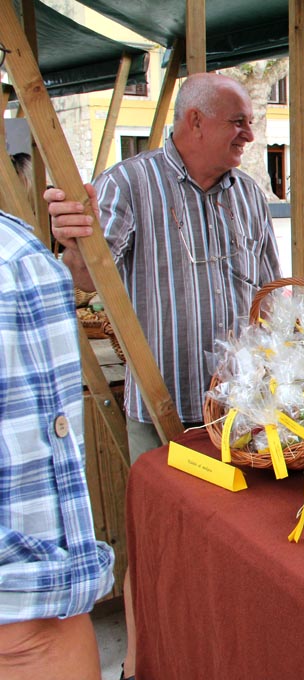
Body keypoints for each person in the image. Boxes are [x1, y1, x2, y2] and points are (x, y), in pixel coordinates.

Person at [45, 71, 282, 680]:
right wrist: (74, 243)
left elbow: (273, 298)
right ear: (195, 121)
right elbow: (87, 277)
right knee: (158, 550)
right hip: (162, 412)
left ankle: (215, 657)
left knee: (233, 553)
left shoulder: (250, 194)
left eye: (249, 123)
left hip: (244, 420)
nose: (249, 134)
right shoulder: (132, 183)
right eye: (238, 122)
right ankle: (142, 662)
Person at [0, 209, 114, 680]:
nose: (246, 131)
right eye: (235, 125)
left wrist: (73, 261)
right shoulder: (15, 265)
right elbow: (34, 631)